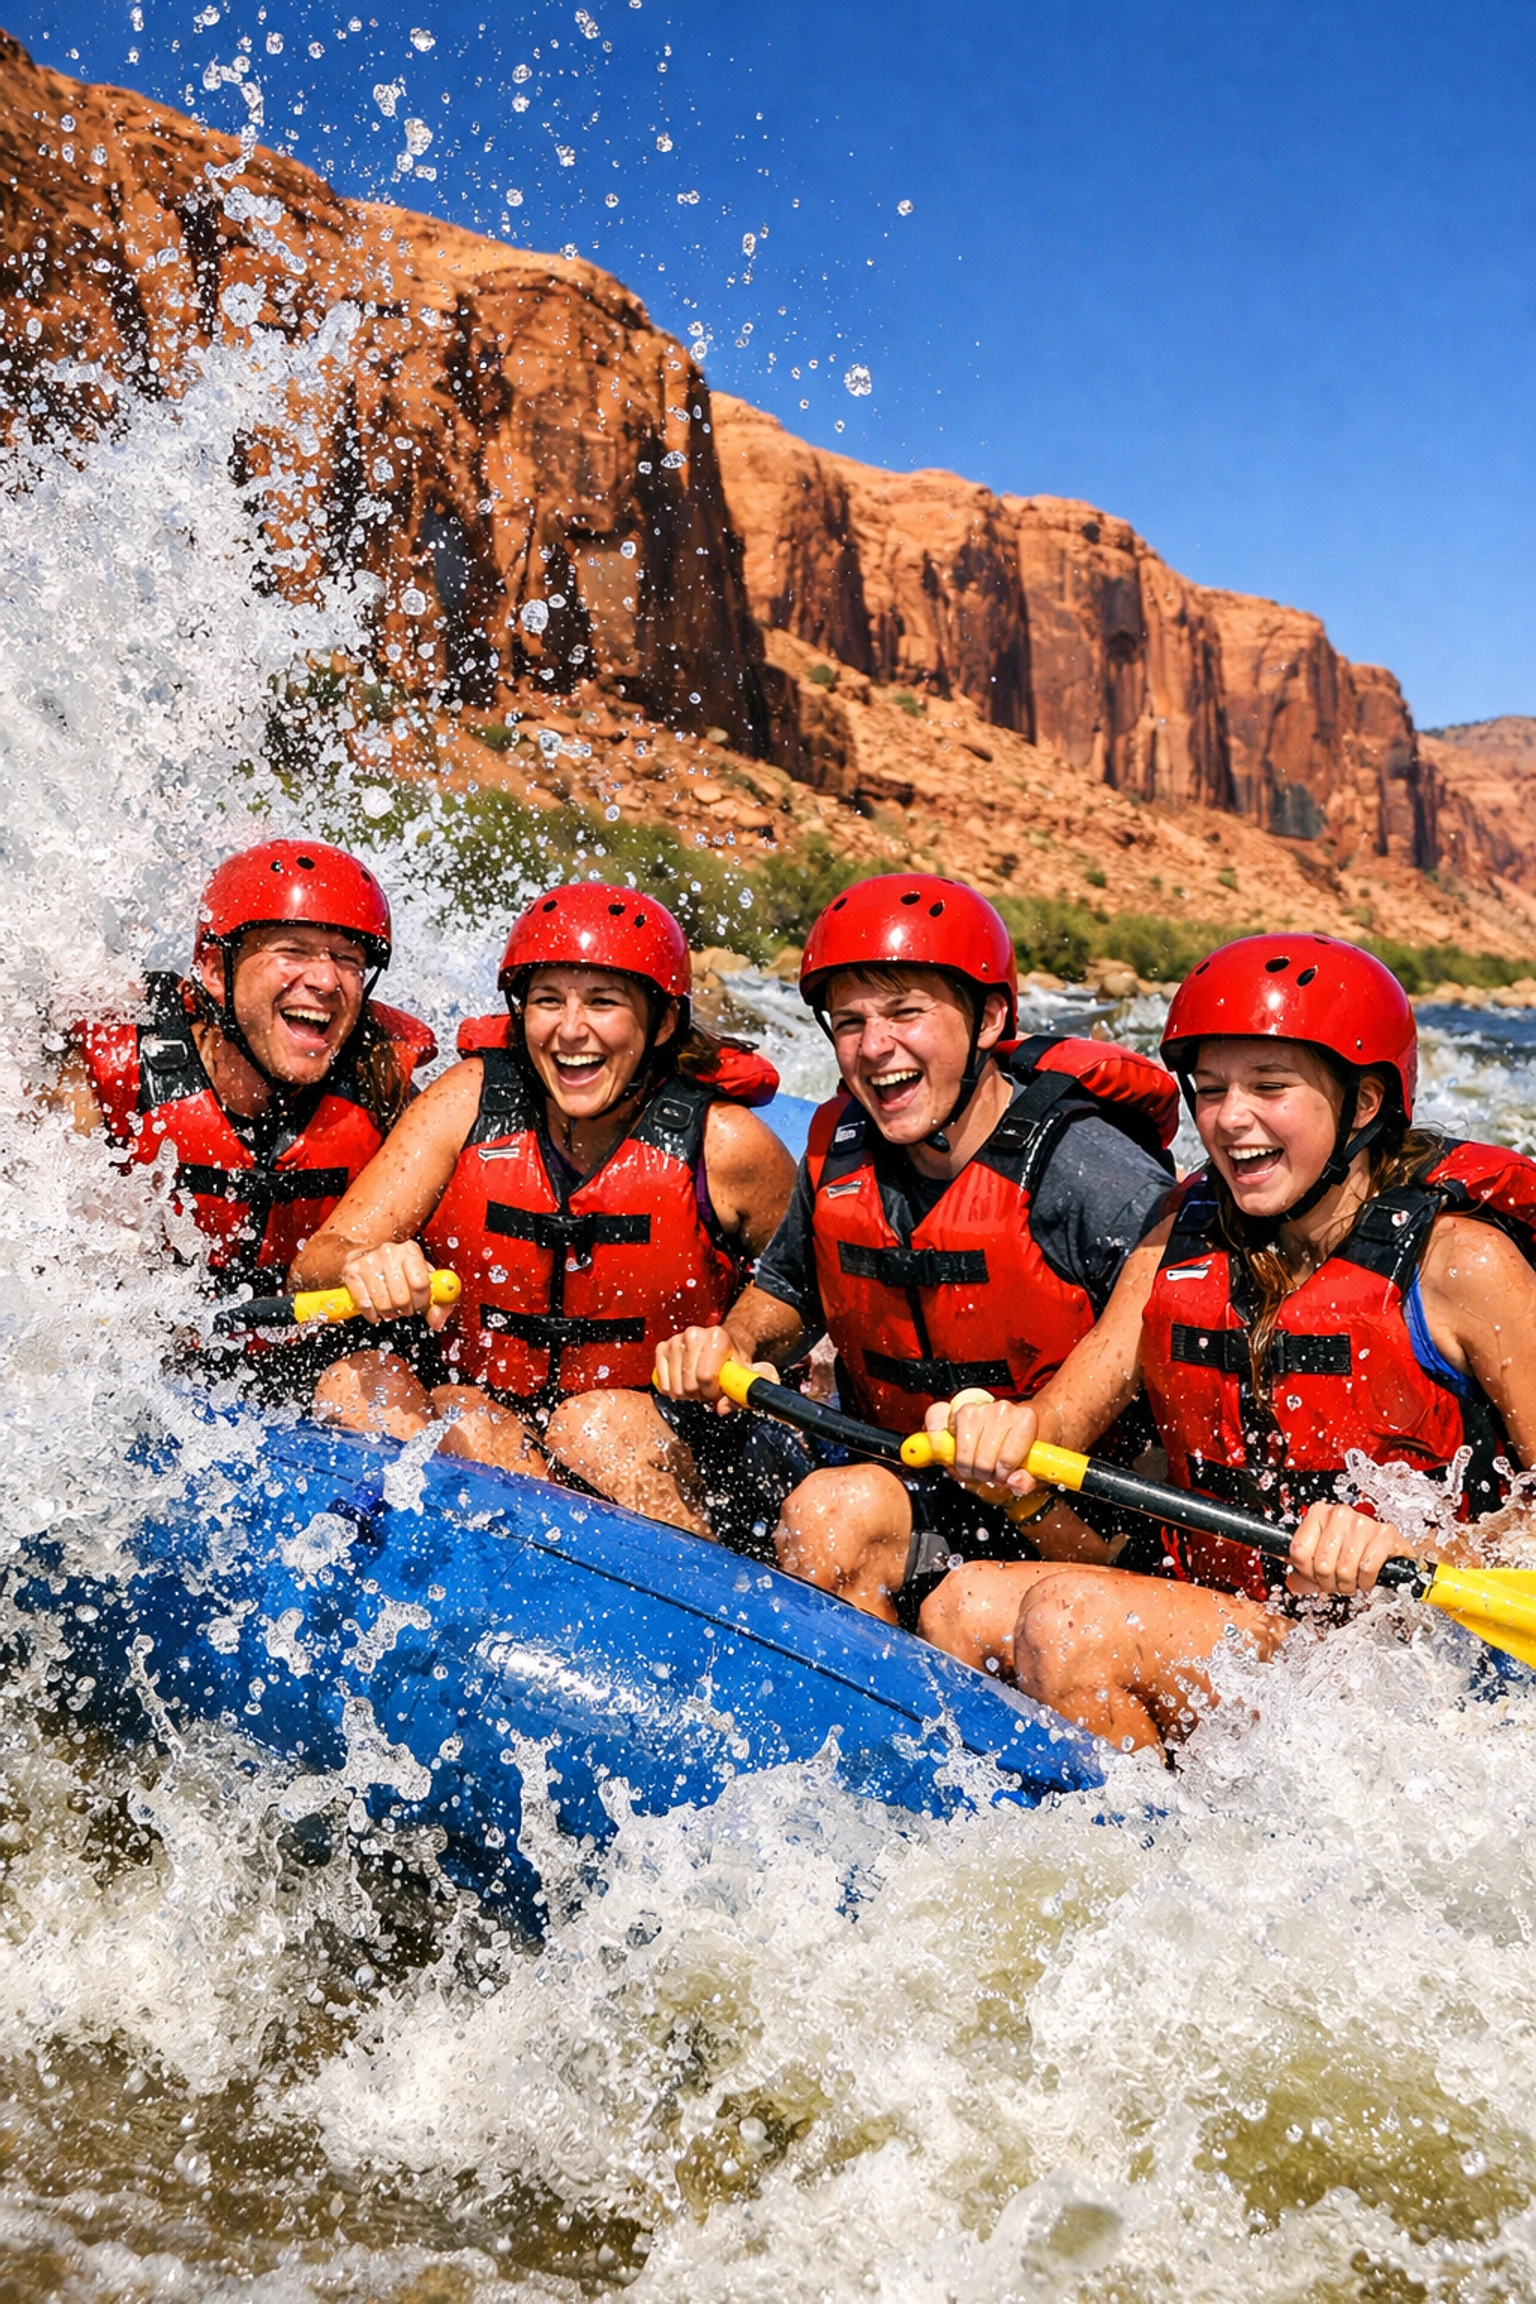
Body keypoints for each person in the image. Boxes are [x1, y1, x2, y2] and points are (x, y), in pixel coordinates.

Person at [914, 932, 1536, 1753]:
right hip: (1235, 1620)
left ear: (1364, 1103)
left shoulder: (1463, 1263)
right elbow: (1059, 1419)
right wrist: (998, 1431)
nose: (1230, 1119)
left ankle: (1150, 1829)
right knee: (958, 1607)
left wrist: (1413, 1549)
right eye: (1209, 1091)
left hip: (1399, 1660)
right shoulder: (1182, 1228)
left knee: (1071, 1625)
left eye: (1270, 1086)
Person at [653, 873, 1180, 1627]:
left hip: (1069, 1513)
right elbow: (790, 1292)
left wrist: (1041, 1427)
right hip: (901, 1473)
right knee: (806, 1499)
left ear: (988, 1018)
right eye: (850, 1022)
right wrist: (733, 1341)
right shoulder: (841, 1147)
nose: (874, 1048)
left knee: (835, 1513)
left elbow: (1161, 1329)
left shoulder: (1087, 1167)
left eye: (905, 1012)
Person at [293, 882, 805, 1545]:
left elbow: (807, 1293)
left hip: (665, 1437)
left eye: (603, 1001)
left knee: (592, 1428)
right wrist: (365, 1265)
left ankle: (691, 1590)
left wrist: (742, 1341)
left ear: (662, 1023)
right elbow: (318, 1261)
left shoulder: (726, 1144)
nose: (570, 1030)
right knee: (379, 1390)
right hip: (492, 1419)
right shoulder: (465, 1103)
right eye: (547, 1001)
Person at [61, 838, 436, 1382]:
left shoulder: (384, 1085)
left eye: (348, 959)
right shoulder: (115, 1074)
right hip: (149, 1368)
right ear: (216, 971)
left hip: (313, 1366)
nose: (326, 981)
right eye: (293, 950)